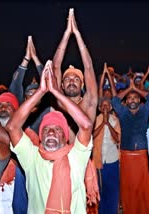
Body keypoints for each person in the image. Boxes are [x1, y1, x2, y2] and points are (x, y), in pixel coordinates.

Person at [5, 60, 93, 213]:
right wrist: (41, 90)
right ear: (40, 136)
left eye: (57, 129)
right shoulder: (32, 157)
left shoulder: (76, 156)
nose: (51, 132)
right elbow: (12, 127)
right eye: (46, 130)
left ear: (66, 137)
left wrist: (56, 91)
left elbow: (86, 125)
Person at [52, 8, 99, 209]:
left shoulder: (88, 104)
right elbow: (55, 68)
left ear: (82, 85)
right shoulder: (58, 103)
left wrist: (77, 34)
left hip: (81, 170)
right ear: (61, 86)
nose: (71, 81)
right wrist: (66, 35)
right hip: (56, 166)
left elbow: (88, 68)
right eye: (67, 79)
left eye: (76, 79)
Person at [111, 71, 149, 214]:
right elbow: (114, 101)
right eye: (129, 98)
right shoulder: (123, 113)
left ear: (139, 100)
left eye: (135, 98)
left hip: (142, 155)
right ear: (126, 102)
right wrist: (129, 89)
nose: (132, 100)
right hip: (127, 155)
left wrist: (135, 88)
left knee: (144, 187)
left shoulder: (144, 111)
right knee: (128, 187)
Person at [93, 97, 121, 214]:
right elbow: (91, 136)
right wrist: (102, 123)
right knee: (100, 191)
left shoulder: (115, 120)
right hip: (99, 161)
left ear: (110, 108)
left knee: (113, 191)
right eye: (102, 106)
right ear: (99, 108)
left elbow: (117, 138)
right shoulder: (94, 120)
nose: (105, 107)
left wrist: (108, 123)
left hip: (112, 160)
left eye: (107, 105)